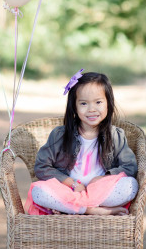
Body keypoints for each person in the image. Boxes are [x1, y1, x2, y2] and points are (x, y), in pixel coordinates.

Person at [24, 70, 139, 216]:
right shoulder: (60, 135)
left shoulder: (116, 135)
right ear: (74, 107)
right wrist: (71, 183)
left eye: (98, 102)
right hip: (69, 190)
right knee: (38, 192)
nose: (91, 109)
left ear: (108, 104)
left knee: (130, 186)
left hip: (100, 191)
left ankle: (72, 208)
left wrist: (102, 178)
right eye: (84, 103)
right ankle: (91, 210)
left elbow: (129, 167)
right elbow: (41, 167)